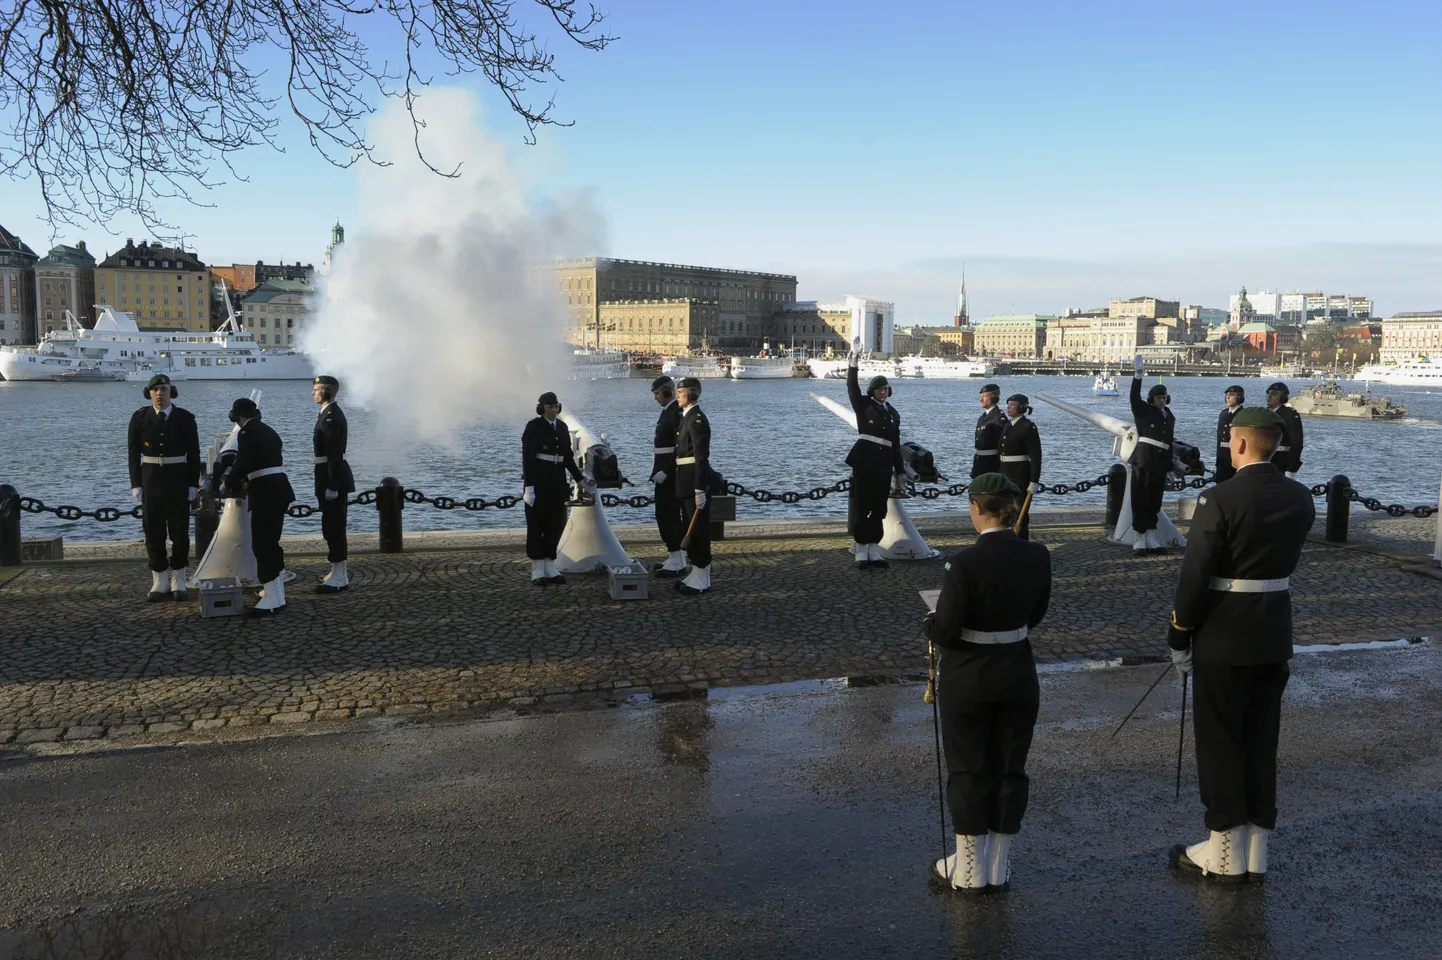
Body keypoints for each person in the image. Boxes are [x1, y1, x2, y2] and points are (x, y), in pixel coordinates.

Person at [1166, 406, 1315, 883]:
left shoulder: (1220, 499)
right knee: (1261, 738)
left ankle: (1224, 853)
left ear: (1243, 443)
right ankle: (1257, 851)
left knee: (1222, 740)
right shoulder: (1300, 497)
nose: (1229, 446)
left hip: (1223, 632)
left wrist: (1180, 630)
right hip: (1273, 629)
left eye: (1231, 440)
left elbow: (1196, 575)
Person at [926, 473, 1052, 895]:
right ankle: (998, 865)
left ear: (977, 507)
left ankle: (967, 869)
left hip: (970, 674)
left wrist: (930, 624)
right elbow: (1036, 614)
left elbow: (945, 631)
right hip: (1017, 669)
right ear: (1011, 508)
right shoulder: (1038, 554)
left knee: (968, 767)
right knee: (1010, 767)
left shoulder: (964, 562)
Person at [127, 374, 202, 602]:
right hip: (150, 481)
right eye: (156, 389)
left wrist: (192, 484)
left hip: (177, 480)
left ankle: (178, 578)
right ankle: (159, 580)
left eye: (164, 389)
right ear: (149, 392)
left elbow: (194, 454)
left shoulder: (186, 418)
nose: (160, 393)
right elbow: (132, 454)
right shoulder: (139, 418)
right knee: (153, 532)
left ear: (172, 391)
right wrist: (136, 483)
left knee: (179, 532)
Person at [222, 397, 295, 615]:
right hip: (279, 488)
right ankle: (275, 590)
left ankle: (273, 598)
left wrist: (228, 482)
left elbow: (243, 462)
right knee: (272, 541)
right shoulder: (268, 430)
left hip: (265, 491)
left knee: (263, 545)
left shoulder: (246, 433)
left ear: (238, 416)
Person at [846, 338, 913, 568]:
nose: (883, 392)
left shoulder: (893, 413)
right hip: (865, 459)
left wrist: (900, 470)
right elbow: (851, 387)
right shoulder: (864, 405)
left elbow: (894, 444)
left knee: (879, 507)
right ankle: (860, 549)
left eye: (885, 389)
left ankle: (874, 549)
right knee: (863, 505)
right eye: (879, 389)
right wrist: (854, 359)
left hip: (884, 462)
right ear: (872, 391)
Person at [522, 392, 589, 586]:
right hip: (539, 480)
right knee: (536, 524)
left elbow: (567, 456)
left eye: (555, 406)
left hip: (558, 481)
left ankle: (550, 564)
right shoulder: (534, 427)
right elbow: (528, 458)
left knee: (554, 523)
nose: (553, 410)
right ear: (541, 408)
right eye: (549, 406)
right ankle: (537, 567)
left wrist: (580, 479)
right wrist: (529, 487)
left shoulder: (562, 427)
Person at [1128, 354, 1177, 555]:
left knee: (1155, 500)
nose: (1161, 401)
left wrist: (1171, 466)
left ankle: (1150, 537)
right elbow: (1133, 397)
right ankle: (1138, 539)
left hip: (1160, 461)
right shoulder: (1143, 411)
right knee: (1140, 497)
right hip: (1145, 459)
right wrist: (1138, 376)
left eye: (1164, 397)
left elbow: (1169, 441)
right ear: (1152, 399)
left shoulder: (1169, 415)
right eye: (1158, 398)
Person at [311, 376, 356, 593]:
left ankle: (340, 576)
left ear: (327, 392)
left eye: (316, 389)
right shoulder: (327, 414)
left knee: (334, 527)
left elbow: (334, 453)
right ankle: (336, 570)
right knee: (331, 526)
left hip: (332, 477)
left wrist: (333, 485)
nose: (313, 393)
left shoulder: (330, 417)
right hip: (328, 475)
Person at [673, 377, 714, 595]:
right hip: (685, 478)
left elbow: (700, 457)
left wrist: (699, 488)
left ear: (692, 394)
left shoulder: (697, 419)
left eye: (681, 392)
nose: (677, 396)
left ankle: (702, 575)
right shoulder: (687, 417)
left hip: (693, 481)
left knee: (698, 529)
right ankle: (696, 572)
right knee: (689, 523)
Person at [649, 376, 687, 578]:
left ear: (666, 391)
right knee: (665, 514)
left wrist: (667, 471)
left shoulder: (676, 413)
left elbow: (680, 448)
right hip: (663, 471)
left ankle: (677, 560)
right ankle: (674, 555)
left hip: (670, 474)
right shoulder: (668, 412)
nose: (656, 398)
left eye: (657, 394)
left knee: (668, 515)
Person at [997, 394, 1043, 540]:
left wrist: (1034, 481)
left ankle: (1022, 542)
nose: (1009, 407)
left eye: (1013, 404)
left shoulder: (1027, 426)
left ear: (1022, 407)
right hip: (1005, 474)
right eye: (1008, 404)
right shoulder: (1008, 425)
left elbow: (1036, 456)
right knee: (1005, 512)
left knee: (1020, 515)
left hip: (1020, 476)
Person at [1265, 382, 1304, 478]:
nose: (1269, 396)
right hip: (1264, 464)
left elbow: (1296, 444)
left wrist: (1290, 470)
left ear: (1283, 397)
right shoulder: (1265, 413)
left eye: (1274, 394)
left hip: (1281, 464)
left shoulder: (1289, 415)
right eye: (1268, 393)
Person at [1213, 385, 1246, 483]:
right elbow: (1219, 440)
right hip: (1222, 458)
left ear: (1240, 397)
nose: (1227, 397)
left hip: (1235, 459)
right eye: (1227, 395)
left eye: (1231, 395)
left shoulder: (1243, 414)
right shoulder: (1223, 414)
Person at [972, 383, 1005, 478]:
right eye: (981, 396)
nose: (981, 399)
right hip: (980, 463)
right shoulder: (983, 417)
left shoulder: (999, 418)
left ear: (994, 398)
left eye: (984, 397)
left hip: (991, 465)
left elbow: (1002, 445)